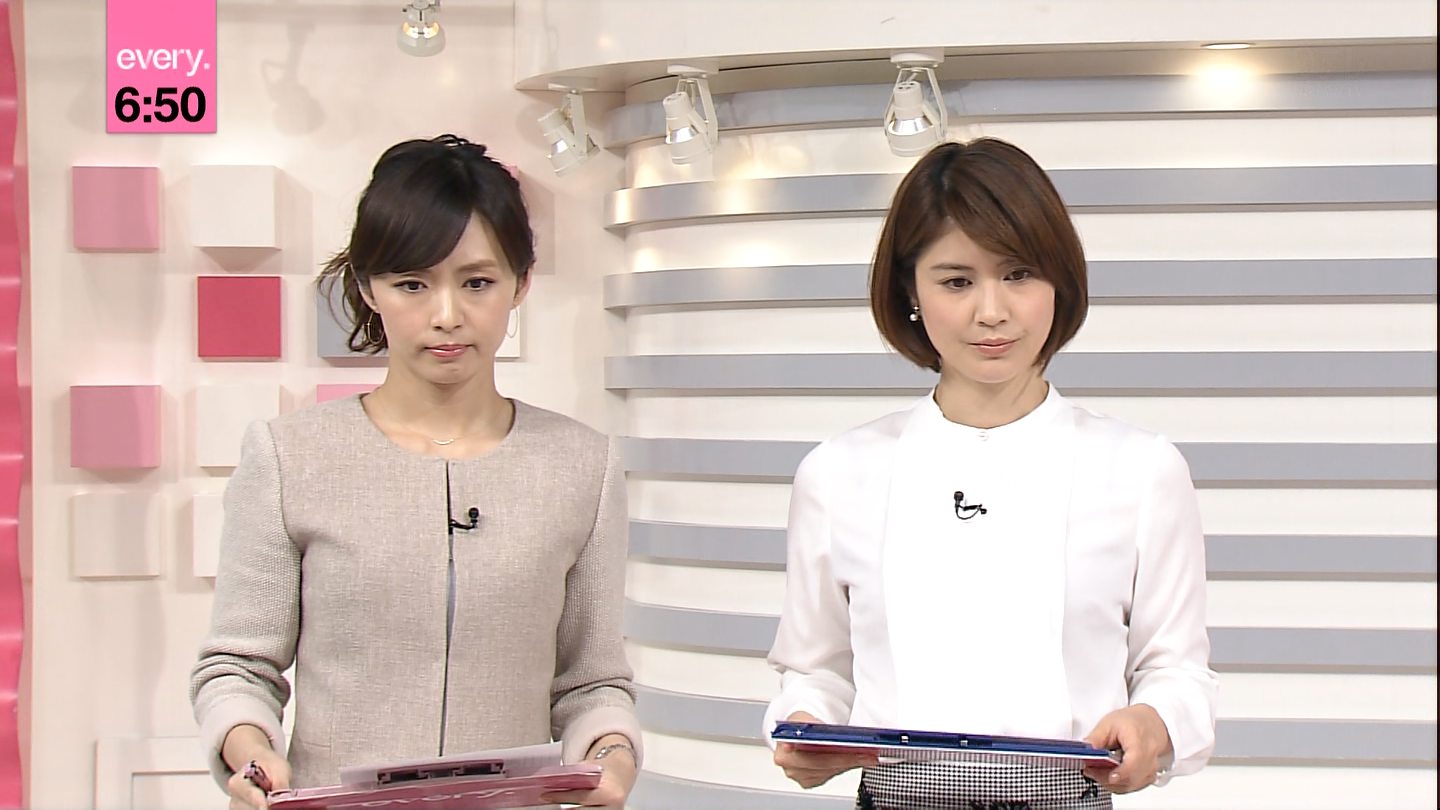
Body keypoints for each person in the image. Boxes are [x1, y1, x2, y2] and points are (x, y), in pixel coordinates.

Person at [764, 138, 1217, 809]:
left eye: (1019, 274)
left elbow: (1177, 671)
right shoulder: (838, 473)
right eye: (956, 282)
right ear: (910, 291)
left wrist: (1155, 722)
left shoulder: (1141, 469)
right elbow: (815, 669)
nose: (991, 312)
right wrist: (806, 725)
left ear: (1060, 283)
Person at [189, 135, 640, 809]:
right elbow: (239, 666)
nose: (446, 316)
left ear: (521, 283)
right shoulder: (289, 456)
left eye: (478, 282)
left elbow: (591, 683)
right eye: (412, 284)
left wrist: (612, 758)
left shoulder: (582, 465)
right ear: (368, 287)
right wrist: (251, 751)